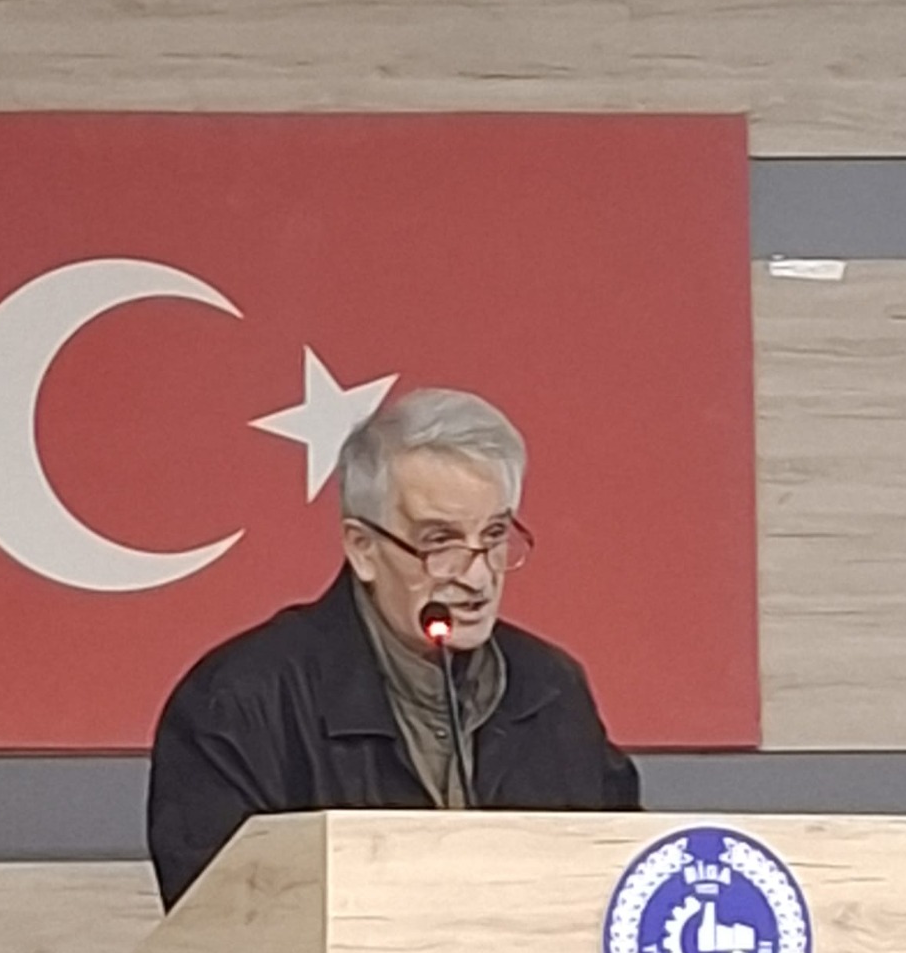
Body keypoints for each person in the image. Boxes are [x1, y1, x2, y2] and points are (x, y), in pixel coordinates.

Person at [147, 388, 639, 913]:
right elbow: (218, 927)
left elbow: (622, 895)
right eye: (440, 542)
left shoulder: (551, 691)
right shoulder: (240, 702)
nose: (477, 577)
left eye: (494, 535)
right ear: (362, 548)